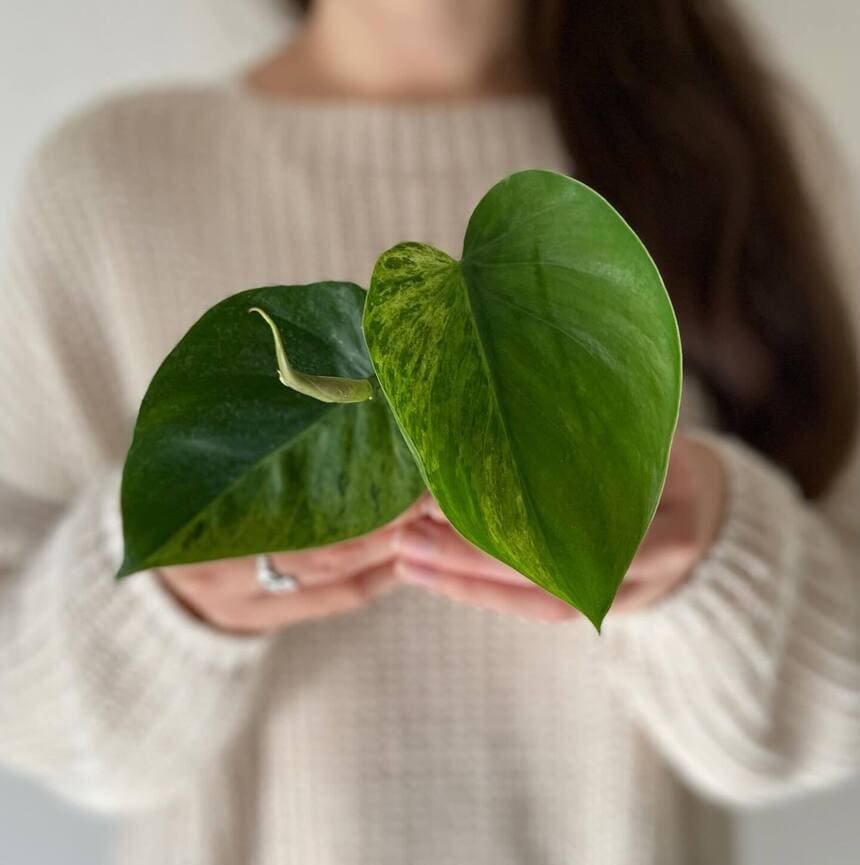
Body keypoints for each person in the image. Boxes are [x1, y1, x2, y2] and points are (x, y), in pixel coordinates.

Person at [0, 0, 857, 863]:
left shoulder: (729, 147)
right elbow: (25, 710)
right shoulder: (108, 184)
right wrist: (161, 599)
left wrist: (720, 558)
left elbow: (833, 717)